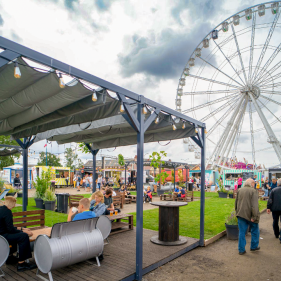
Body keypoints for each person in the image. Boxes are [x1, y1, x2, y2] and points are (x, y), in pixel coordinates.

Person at [0, 197, 37, 272]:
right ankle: (21, 264)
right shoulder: (7, 212)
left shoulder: (2, 209)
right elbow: (11, 229)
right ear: (13, 205)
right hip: (3, 237)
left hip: (2, 235)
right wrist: (24, 232)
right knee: (23, 236)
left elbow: (9, 227)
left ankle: (9, 258)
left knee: (20, 234)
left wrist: (23, 229)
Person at [235, 178, 260, 255]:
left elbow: (236, 202)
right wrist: (254, 216)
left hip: (241, 214)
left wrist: (237, 212)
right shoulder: (253, 191)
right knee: (255, 231)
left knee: (242, 233)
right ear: (252, 184)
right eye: (254, 184)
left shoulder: (239, 190)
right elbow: (254, 205)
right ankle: (253, 246)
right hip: (250, 215)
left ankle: (241, 250)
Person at [267, 178, 281, 243]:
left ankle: (276, 234)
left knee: (275, 221)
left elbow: (270, 200)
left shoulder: (273, 190)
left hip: (275, 208)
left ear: (278, 183)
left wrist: (268, 207)